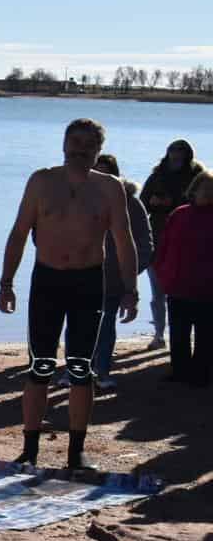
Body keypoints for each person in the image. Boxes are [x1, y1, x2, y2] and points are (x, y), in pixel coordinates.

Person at [0, 118, 139, 471]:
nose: (79, 149)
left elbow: (124, 240)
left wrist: (131, 289)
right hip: (47, 281)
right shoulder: (42, 181)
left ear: (98, 150)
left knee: (80, 368)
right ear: (63, 144)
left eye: (88, 144)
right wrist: (5, 282)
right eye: (74, 141)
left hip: (87, 283)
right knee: (40, 366)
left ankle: (76, 451)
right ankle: (30, 447)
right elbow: (18, 233)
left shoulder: (109, 188)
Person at [91, 155, 153, 391]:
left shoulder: (130, 203)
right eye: (97, 171)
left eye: (107, 172)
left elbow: (145, 242)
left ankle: (102, 372)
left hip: (114, 278)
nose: (101, 177)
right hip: (80, 274)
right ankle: (75, 370)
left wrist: (130, 272)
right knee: (78, 325)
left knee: (106, 324)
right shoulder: (77, 197)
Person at [140, 139, 203, 351]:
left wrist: (172, 204)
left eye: (180, 153)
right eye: (172, 153)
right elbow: (141, 206)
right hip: (156, 240)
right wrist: (154, 204)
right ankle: (159, 335)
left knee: (183, 292)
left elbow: (200, 207)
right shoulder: (156, 177)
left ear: (188, 156)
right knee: (158, 291)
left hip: (187, 243)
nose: (176, 157)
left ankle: (191, 335)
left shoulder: (196, 178)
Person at [155, 171, 213, 387]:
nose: (207, 193)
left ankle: (201, 374)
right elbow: (164, 246)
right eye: (204, 188)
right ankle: (179, 371)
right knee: (178, 333)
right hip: (178, 285)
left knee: (205, 335)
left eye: (212, 190)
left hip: (207, 289)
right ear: (194, 189)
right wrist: (161, 272)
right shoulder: (179, 214)